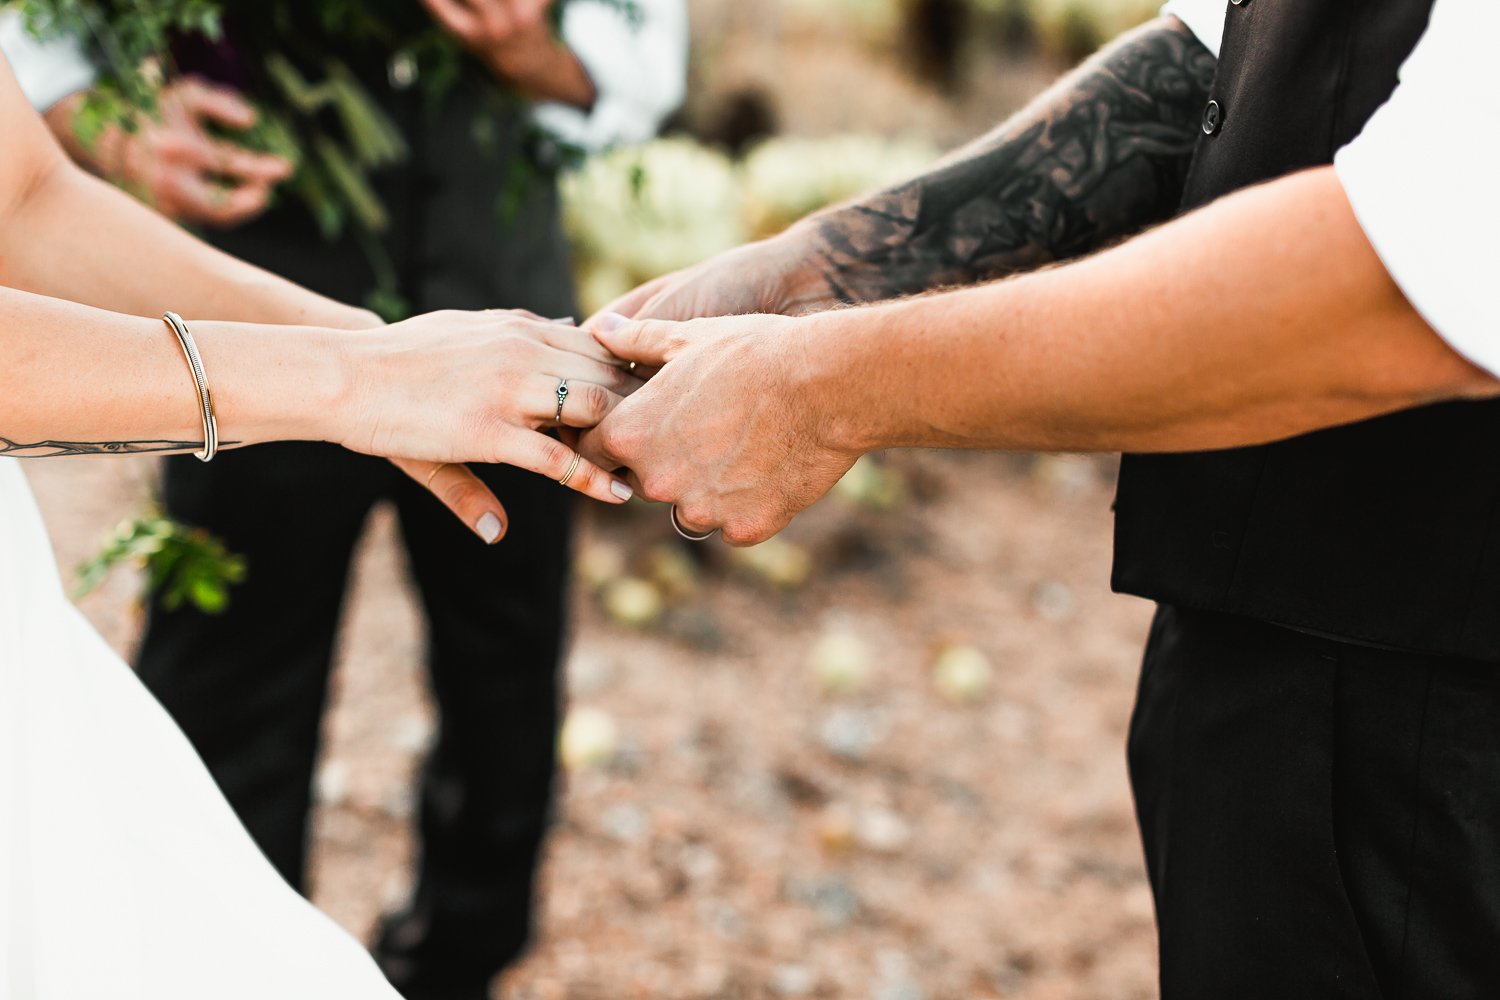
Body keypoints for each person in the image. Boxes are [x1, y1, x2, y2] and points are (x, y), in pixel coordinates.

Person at [579, 0, 1500, 994]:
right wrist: (825, 268)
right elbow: (1226, 58)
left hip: (1443, 737)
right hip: (1266, 669)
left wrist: (820, 392)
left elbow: (1403, 286)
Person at [1, 4, 685, 996]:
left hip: (452, 288)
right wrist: (350, 379)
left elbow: (22, 205)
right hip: (267, 300)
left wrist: (373, 355)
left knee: (504, 679)